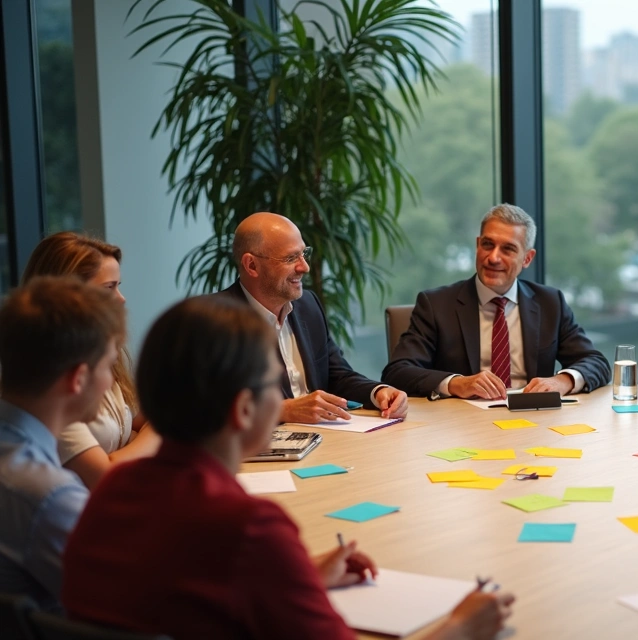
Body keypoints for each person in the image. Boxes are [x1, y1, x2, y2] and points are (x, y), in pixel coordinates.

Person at [62, 296, 514, 639]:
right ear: (244, 409)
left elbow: (190, 585)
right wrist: (461, 628)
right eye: (270, 383)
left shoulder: (114, 490)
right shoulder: (249, 527)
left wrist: (297, 577)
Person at [383, 204, 610, 400]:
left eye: (508, 249)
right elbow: (398, 372)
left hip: (532, 420)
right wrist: (456, 383)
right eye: (488, 244)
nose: (493, 258)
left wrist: (563, 381)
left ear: (527, 258)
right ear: (477, 245)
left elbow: (596, 362)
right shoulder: (436, 305)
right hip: (462, 424)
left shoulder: (550, 303)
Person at [0, 277, 124, 609]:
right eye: (108, 366)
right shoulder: (50, 498)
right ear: (78, 379)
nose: (110, 381)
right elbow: (132, 603)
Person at [216, 212, 409, 423]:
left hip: (324, 436)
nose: (304, 267)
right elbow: (203, 408)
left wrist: (379, 392)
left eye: (303, 254)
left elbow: (338, 376)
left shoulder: (308, 305)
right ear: (252, 265)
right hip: (262, 441)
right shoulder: (213, 321)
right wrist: (282, 410)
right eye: (290, 258)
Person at [20, 231, 160, 489]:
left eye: (119, 285)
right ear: (69, 295)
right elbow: (105, 477)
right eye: (109, 288)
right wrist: (154, 435)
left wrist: (129, 447)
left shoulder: (100, 354)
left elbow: (141, 420)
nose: (121, 298)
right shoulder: (48, 382)